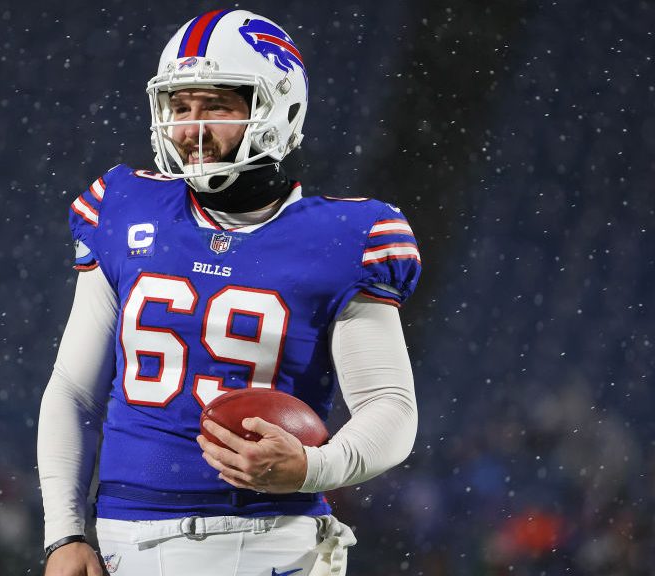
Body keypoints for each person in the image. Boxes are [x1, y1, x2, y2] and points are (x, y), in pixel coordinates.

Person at [38, 9, 421, 576]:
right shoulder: (123, 207)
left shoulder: (346, 237)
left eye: (217, 105)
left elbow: (390, 406)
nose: (191, 129)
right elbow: (74, 391)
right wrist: (63, 533)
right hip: (125, 543)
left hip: (271, 544)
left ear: (277, 109)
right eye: (180, 106)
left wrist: (314, 467)